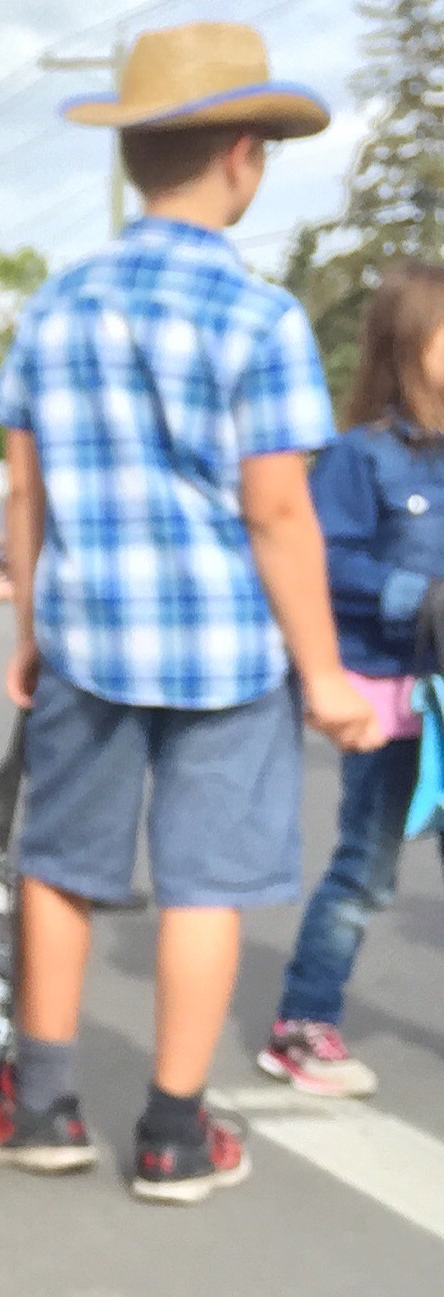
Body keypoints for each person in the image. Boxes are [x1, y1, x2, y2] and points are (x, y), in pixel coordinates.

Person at [0, 23, 383, 1203]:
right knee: (206, 882)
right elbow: (280, 511)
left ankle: (41, 1105)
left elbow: (25, 487)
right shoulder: (263, 315)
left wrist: (30, 627)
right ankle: (176, 1135)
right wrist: (328, 674)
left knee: (62, 867)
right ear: (244, 155)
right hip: (230, 653)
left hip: (88, 635)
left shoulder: (63, 307)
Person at [259, 263, 444, 1097]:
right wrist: (414, 596)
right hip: (388, 694)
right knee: (366, 870)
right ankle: (302, 1025)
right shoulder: (357, 457)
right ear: (410, 343)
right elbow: (322, 558)